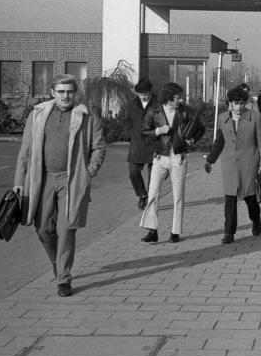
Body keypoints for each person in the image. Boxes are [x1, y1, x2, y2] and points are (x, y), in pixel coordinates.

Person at [13, 74, 106, 297]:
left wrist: (88, 172)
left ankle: (63, 278)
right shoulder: (38, 114)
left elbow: (99, 147)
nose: (65, 96)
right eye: (61, 91)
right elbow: (25, 151)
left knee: (67, 229)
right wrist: (18, 182)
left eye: (70, 91)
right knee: (43, 228)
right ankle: (58, 262)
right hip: (41, 179)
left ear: (75, 93)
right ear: (53, 92)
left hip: (71, 180)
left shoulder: (87, 116)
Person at [139, 82, 205, 243]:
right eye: (176, 98)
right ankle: (152, 230)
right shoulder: (154, 111)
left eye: (180, 98)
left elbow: (200, 128)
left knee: (178, 196)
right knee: (153, 194)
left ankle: (175, 232)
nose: (179, 101)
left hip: (178, 157)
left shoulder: (185, 112)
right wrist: (158, 130)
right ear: (167, 98)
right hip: (159, 158)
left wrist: (192, 140)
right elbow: (143, 132)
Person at [204, 86, 261, 244]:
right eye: (236, 103)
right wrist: (210, 160)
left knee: (250, 196)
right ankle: (229, 232)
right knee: (230, 197)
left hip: (249, 162)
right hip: (230, 163)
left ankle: (256, 220)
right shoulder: (222, 118)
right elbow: (220, 140)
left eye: (242, 103)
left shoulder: (255, 117)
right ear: (230, 103)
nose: (239, 107)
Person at [125, 78, 157, 210]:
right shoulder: (132, 105)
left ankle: (150, 199)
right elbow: (127, 121)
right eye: (140, 94)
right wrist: (132, 133)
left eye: (145, 94)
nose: (143, 97)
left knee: (153, 177)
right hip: (137, 144)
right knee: (133, 172)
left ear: (150, 92)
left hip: (154, 144)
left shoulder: (158, 104)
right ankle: (142, 195)